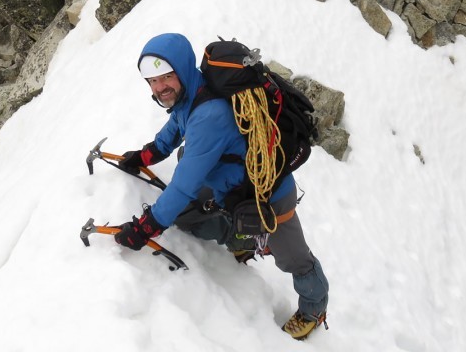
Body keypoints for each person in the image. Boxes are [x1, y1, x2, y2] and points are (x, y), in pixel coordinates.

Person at [114, 32, 330, 340]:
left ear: (183, 69)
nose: (159, 88)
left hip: (270, 195)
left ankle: (313, 307)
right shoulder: (191, 92)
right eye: (151, 81)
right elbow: (176, 127)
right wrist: (145, 156)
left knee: (295, 260)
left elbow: (183, 185)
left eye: (166, 77)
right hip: (231, 188)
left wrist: (144, 228)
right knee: (187, 215)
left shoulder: (210, 115)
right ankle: (242, 238)